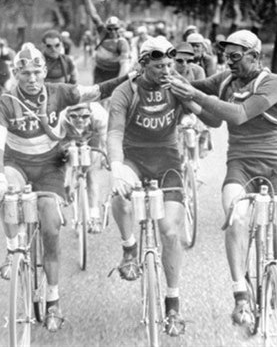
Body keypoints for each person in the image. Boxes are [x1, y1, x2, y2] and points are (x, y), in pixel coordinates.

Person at [0, 47, 134, 332]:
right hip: (15, 164)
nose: (31, 78)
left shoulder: (59, 92)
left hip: (51, 167)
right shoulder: (5, 102)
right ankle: (11, 250)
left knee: (51, 228)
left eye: (36, 72)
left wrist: (130, 76)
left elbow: (97, 91)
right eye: (25, 73)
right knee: (9, 197)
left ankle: (53, 299)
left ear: (44, 72)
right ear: (16, 74)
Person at [168, 30, 277, 326]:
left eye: (236, 56)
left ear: (255, 56)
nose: (230, 62)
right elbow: (209, 113)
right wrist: (168, 76)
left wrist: (195, 96)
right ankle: (240, 295)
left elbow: (237, 115)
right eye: (226, 57)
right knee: (235, 217)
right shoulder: (225, 80)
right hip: (240, 163)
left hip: (276, 164)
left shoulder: (274, 83)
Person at [107, 36, 203, 337]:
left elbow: (209, 117)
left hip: (168, 162)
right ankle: (129, 248)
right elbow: (113, 133)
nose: (166, 70)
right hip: (133, 157)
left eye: (169, 65)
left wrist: (193, 101)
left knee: (170, 231)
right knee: (119, 195)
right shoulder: (126, 91)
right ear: (144, 63)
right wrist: (116, 167)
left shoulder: (175, 86)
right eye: (159, 65)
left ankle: (173, 302)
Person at [60, 102, 108, 233]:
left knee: (91, 173)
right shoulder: (61, 118)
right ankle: (69, 189)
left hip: (92, 136)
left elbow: (105, 140)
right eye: (74, 116)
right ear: (68, 115)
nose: (79, 120)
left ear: (91, 114)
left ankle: (94, 216)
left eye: (84, 116)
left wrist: (105, 157)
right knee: (66, 164)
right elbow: (57, 143)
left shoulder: (99, 116)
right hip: (69, 137)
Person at [173, 42, 212, 158]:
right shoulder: (167, 70)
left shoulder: (198, 71)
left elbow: (200, 95)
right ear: (173, 59)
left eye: (189, 61)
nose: (184, 64)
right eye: (180, 61)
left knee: (191, 133)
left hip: (191, 109)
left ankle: (193, 162)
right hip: (173, 110)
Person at [84, 0, 131, 83]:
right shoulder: (103, 33)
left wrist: (120, 81)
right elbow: (94, 16)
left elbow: (124, 64)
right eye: (110, 28)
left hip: (114, 72)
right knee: (97, 93)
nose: (112, 31)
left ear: (119, 29)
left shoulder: (122, 43)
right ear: (106, 28)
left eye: (115, 29)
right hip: (99, 70)